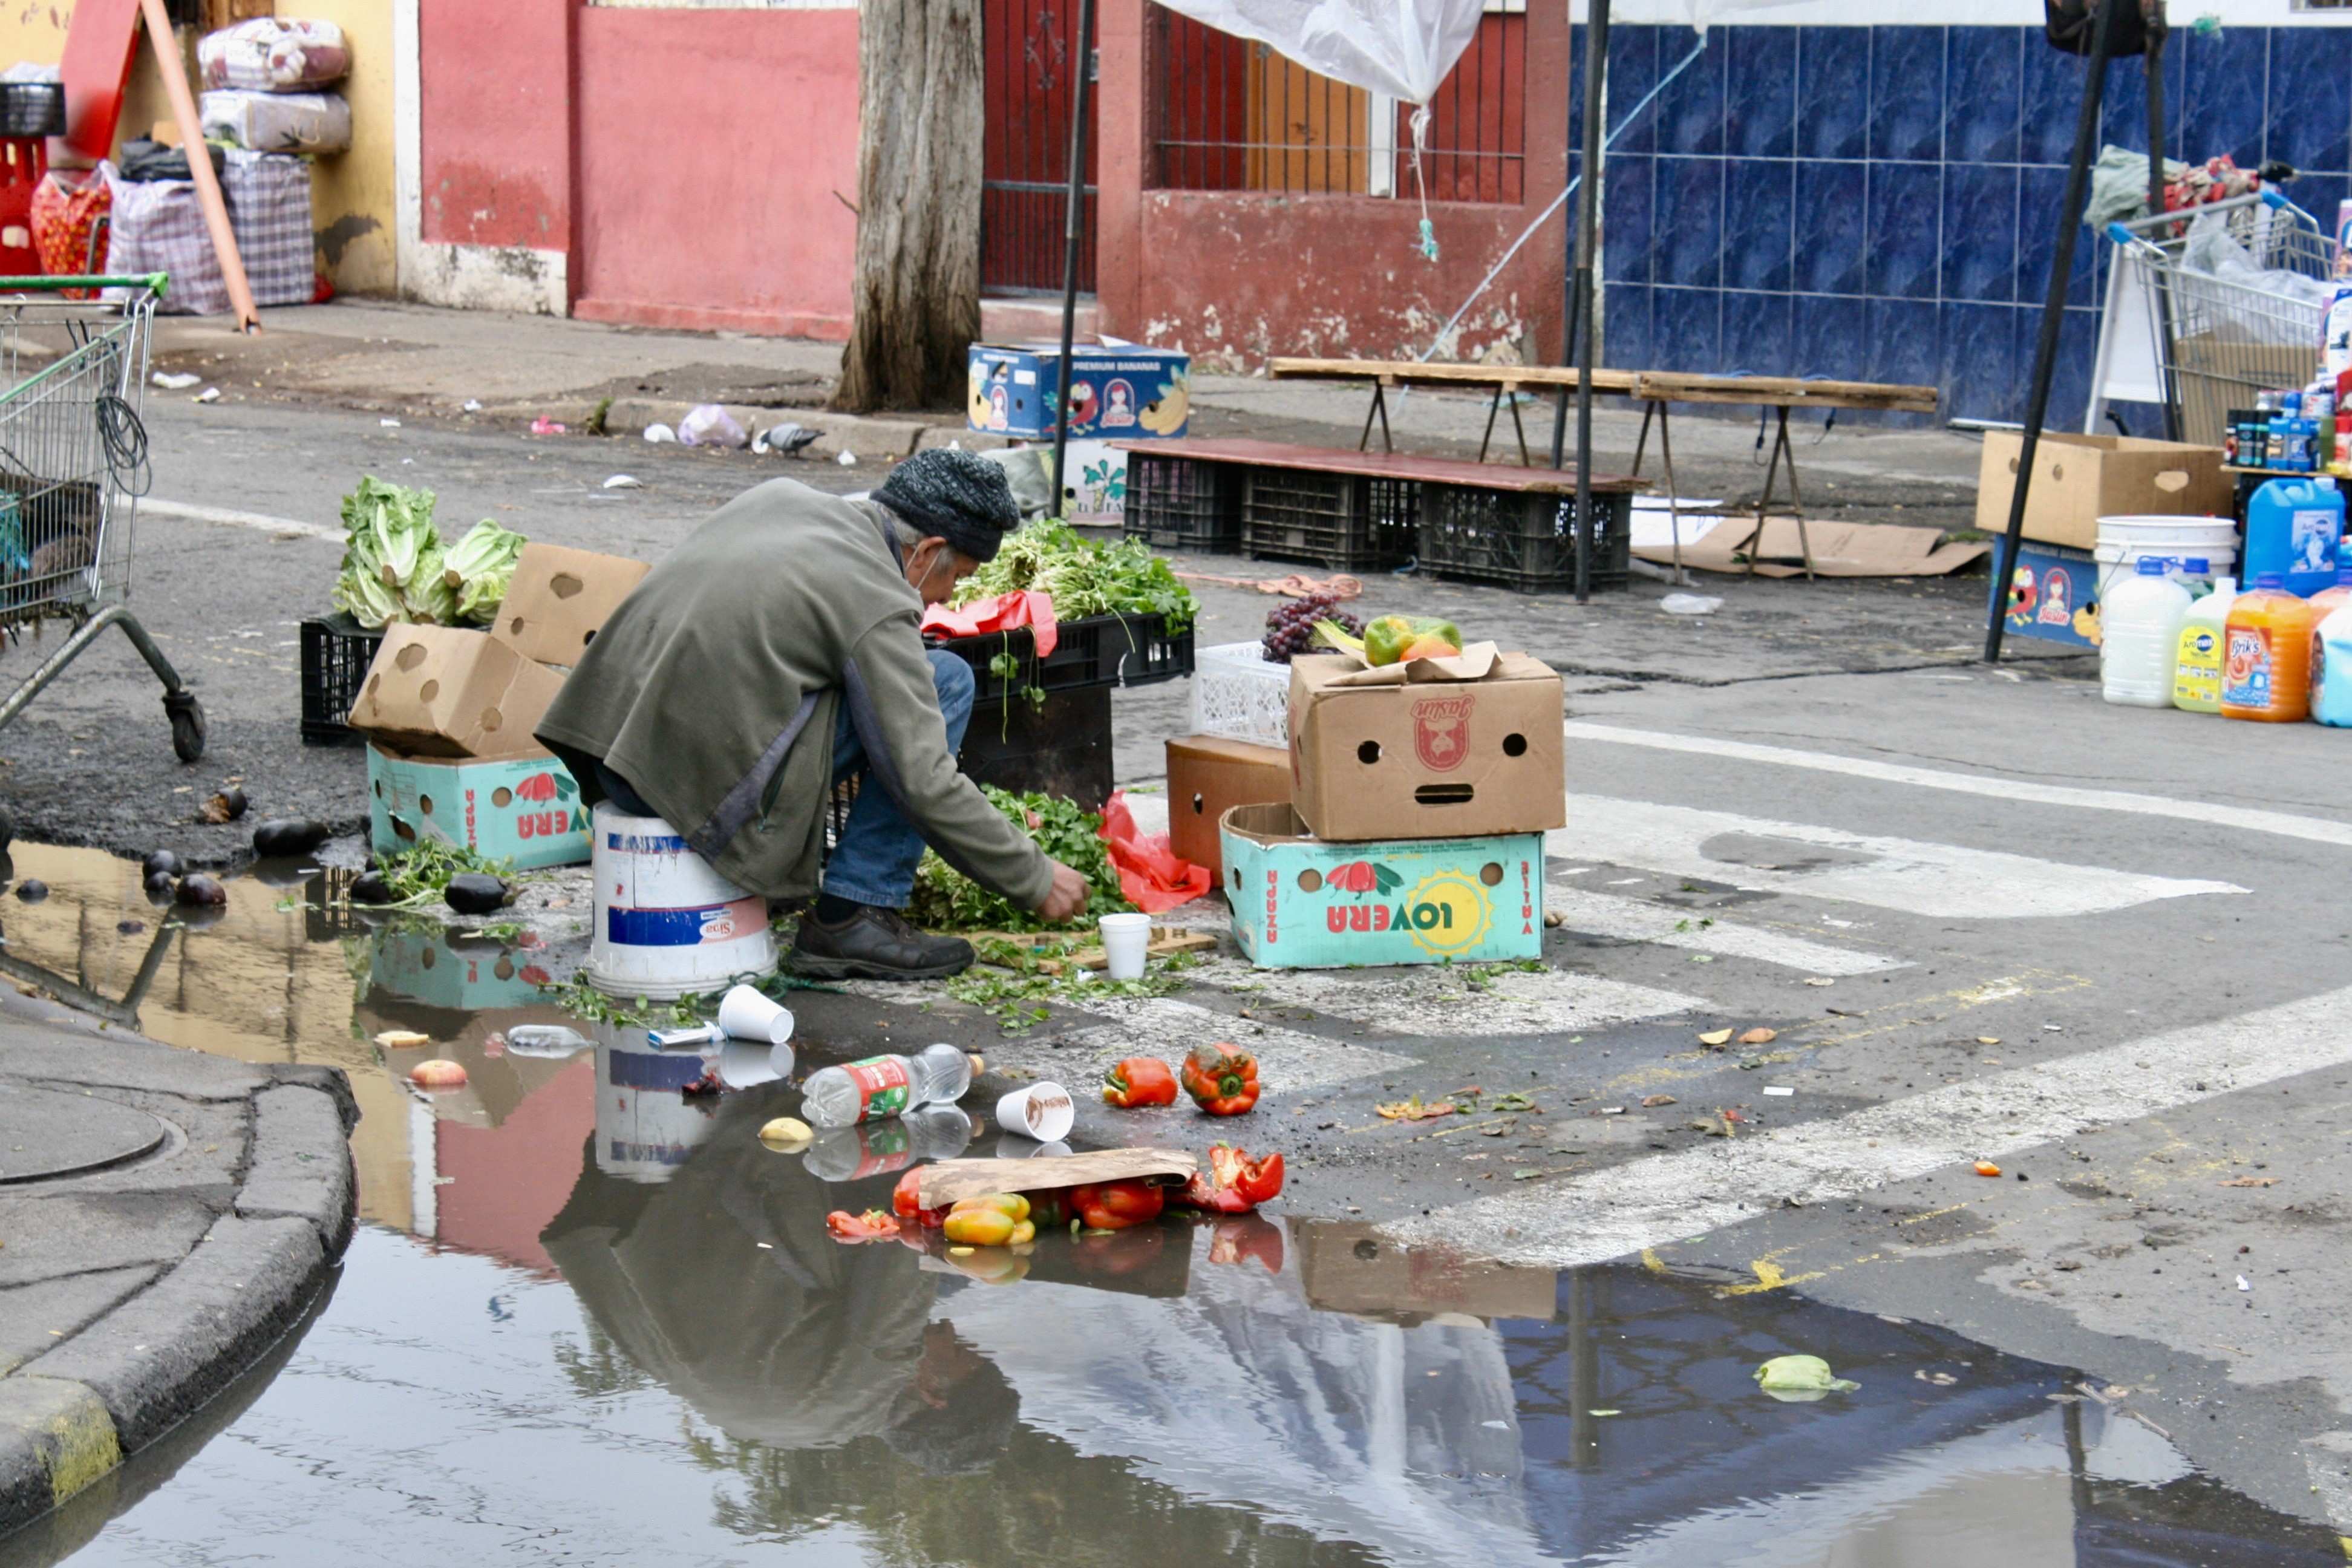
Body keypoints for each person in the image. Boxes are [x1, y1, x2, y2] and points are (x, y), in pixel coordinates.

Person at [536, 450, 1090, 980]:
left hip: (608, 750)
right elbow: (923, 779)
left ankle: (798, 889)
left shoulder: (780, 500)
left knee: (852, 681)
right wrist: (1034, 877)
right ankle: (854, 915)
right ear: (926, 552)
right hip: (677, 790)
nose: (944, 599)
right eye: (958, 577)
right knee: (946, 680)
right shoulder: (873, 593)